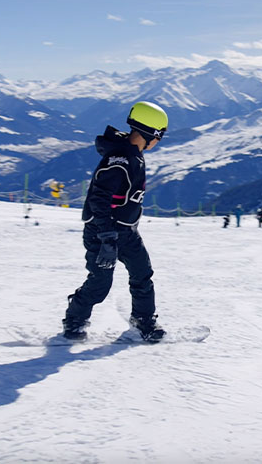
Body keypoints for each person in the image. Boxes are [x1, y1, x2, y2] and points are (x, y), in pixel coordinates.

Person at [62, 101, 168, 342]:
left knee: (142, 274)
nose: (158, 142)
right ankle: (75, 318)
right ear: (150, 133)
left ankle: (143, 319)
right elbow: (99, 199)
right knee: (100, 282)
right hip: (102, 232)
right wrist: (107, 237)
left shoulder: (134, 155)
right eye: (159, 136)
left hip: (126, 232)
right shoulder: (120, 160)